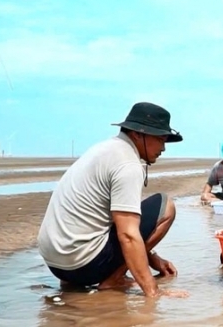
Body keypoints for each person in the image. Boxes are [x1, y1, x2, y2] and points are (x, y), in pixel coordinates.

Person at [37, 102, 188, 298]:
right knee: (166, 207)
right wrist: (153, 291)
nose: (163, 148)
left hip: (55, 264)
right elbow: (127, 235)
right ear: (138, 134)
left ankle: (73, 284)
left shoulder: (104, 149)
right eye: (160, 139)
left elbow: (115, 222)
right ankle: (113, 279)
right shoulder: (128, 164)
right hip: (82, 265)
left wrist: (154, 260)